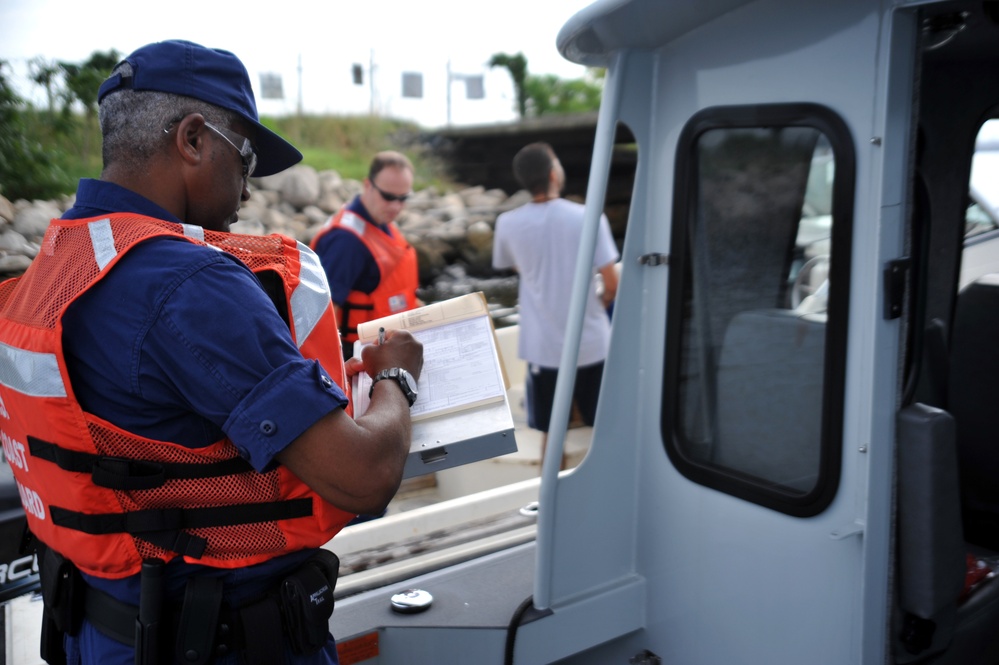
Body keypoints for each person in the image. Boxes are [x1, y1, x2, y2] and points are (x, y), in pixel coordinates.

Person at [0, 40, 423, 665]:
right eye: (246, 158)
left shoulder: (55, 267)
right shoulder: (189, 283)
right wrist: (395, 381)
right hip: (216, 640)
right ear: (193, 140)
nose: (248, 190)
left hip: (96, 629)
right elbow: (362, 477)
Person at [492, 142, 620, 470]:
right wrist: (601, 300)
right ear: (553, 173)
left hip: (543, 347)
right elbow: (612, 282)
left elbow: (516, 265)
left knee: (553, 431)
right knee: (604, 426)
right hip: (592, 342)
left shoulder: (507, 223)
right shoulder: (588, 217)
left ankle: (554, 496)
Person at [311, 151, 421, 359]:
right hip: (359, 358)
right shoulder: (346, 242)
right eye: (388, 197)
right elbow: (320, 316)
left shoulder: (380, 223)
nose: (396, 206)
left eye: (403, 198)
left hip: (388, 349)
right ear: (368, 185)